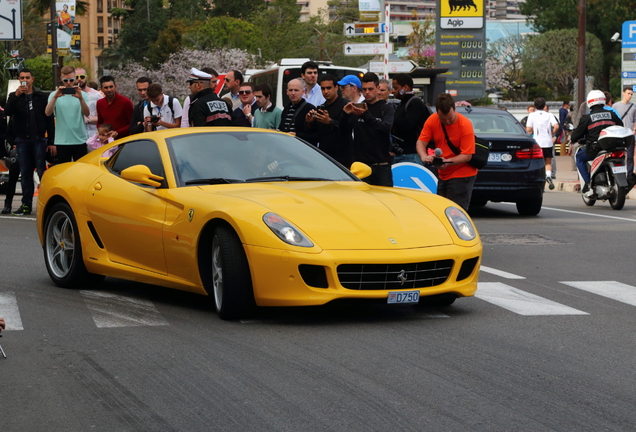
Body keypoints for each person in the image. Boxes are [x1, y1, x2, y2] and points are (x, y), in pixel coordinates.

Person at [5, 68, 55, 215]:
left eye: (27, 77)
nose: (24, 80)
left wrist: (51, 141)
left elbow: (49, 119)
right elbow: (7, 112)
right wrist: (16, 95)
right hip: (22, 140)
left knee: (41, 171)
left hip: (39, 139)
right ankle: (26, 205)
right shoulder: (14, 96)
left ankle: (47, 204)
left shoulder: (41, 96)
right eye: (22, 78)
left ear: (32, 79)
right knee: (25, 173)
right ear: (19, 79)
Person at [416, 92, 477, 210]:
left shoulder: (465, 124)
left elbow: (467, 155)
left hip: (462, 172)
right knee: (442, 210)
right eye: (443, 119)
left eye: (450, 118)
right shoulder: (432, 120)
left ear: (455, 109)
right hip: (443, 173)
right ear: (437, 111)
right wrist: (424, 157)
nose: (447, 122)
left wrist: (447, 161)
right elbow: (420, 143)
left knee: (455, 211)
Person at [340, 72, 394, 186]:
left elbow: (385, 128)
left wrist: (365, 115)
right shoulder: (357, 107)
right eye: (364, 89)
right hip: (361, 165)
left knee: (385, 200)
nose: (367, 92)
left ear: (378, 88)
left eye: (370, 89)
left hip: (381, 165)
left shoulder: (386, 108)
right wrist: (345, 114)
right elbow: (344, 132)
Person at [571, 90, 624, 195]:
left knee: (579, 158)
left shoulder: (587, 118)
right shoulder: (612, 114)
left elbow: (576, 135)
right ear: (603, 100)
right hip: (614, 147)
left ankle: (588, 184)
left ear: (589, 102)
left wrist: (573, 140)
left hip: (595, 149)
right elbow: (621, 125)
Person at [45, 65, 90, 163]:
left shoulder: (83, 94)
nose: (69, 83)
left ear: (75, 79)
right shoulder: (54, 95)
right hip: (62, 140)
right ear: (61, 79)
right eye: (66, 81)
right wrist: (55, 97)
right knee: (63, 171)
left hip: (79, 139)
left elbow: (87, 114)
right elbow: (48, 113)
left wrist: (81, 98)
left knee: (80, 170)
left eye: (71, 80)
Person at [305, 74, 350, 166]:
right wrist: (309, 122)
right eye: (323, 88)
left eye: (329, 88)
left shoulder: (346, 106)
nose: (326, 91)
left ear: (336, 87)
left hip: (342, 157)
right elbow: (316, 133)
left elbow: (348, 130)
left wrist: (330, 122)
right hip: (325, 156)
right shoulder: (322, 107)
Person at [391, 73, 430, 165]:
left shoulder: (415, 103)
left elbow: (407, 125)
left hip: (412, 154)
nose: (393, 91)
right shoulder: (402, 103)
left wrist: (392, 116)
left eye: (396, 88)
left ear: (405, 87)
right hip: (400, 153)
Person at [526, 97, 558, 189]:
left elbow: (528, 129)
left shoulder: (532, 115)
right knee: (548, 161)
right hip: (547, 142)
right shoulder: (549, 115)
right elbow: (556, 126)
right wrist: (552, 133)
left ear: (535, 106)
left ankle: (538, 178)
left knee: (536, 161)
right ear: (544, 106)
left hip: (537, 142)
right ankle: (548, 175)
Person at [279, 78, 316, 143]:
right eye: (290, 90)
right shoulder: (286, 109)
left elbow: (316, 136)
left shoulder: (311, 109)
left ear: (303, 92)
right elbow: (282, 128)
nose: (293, 93)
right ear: (287, 92)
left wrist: (297, 135)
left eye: (296, 90)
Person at [611, 87, 636, 179]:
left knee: (630, 156)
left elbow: (634, 120)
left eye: (631, 94)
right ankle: (617, 175)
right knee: (618, 155)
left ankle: (629, 175)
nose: (630, 96)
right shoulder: (615, 106)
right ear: (623, 93)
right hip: (618, 134)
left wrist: (634, 130)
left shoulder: (633, 106)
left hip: (629, 134)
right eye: (628, 93)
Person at [75, 67, 103, 140]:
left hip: (93, 135)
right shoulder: (71, 95)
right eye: (76, 77)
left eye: (82, 76)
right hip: (77, 136)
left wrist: (88, 120)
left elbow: (103, 116)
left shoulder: (96, 95)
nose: (79, 79)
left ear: (86, 77)